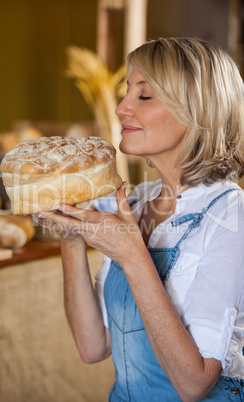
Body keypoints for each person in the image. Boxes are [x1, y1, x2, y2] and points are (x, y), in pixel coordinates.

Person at [38, 37, 244, 401]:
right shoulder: (135, 201)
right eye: (126, 92)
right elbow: (92, 346)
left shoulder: (231, 216)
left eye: (143, 96)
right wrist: (69, 233)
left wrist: (132, 254)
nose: (121, 108)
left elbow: (194, 384)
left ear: (197, 111)